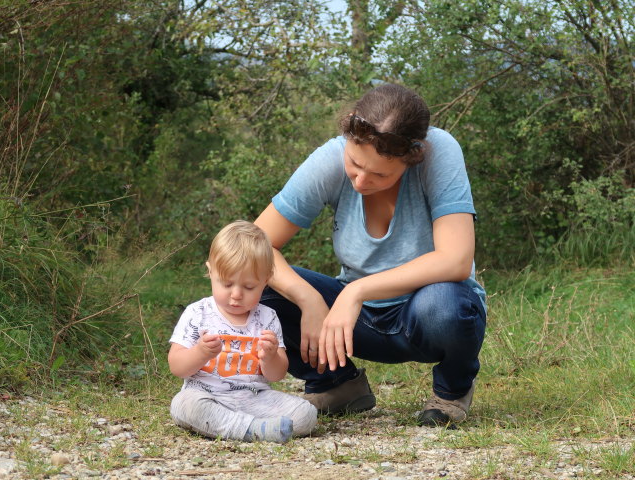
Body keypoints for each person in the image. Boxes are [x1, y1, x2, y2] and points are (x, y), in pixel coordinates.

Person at [254, 83, 487, 427]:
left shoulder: (440, 151)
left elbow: (455, 260)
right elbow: (255, 245)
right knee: (255, 286)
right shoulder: (330, 158)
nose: (361, 180)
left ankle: (451, 393)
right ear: (347, 131)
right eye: (354, 163)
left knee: (448, 304)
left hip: (424, 314)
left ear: (412, 156)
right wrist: (309, 300)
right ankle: (337, 385)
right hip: (356, 324)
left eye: (380, 173)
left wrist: (357, 290)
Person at [168, 220, 318, 443]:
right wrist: (200, 352)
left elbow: (276, 375)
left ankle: (246, 426)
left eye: (249, 287)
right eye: (227, 284)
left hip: (255, 398)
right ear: (211, 272)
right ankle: (253, 429)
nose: (236, 294)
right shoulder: (198, 312)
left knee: (306, 413)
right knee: (185, 405)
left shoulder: (267, 317)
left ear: (265, 282)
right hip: (207, 395)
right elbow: (176, 366)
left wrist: (270, 357)